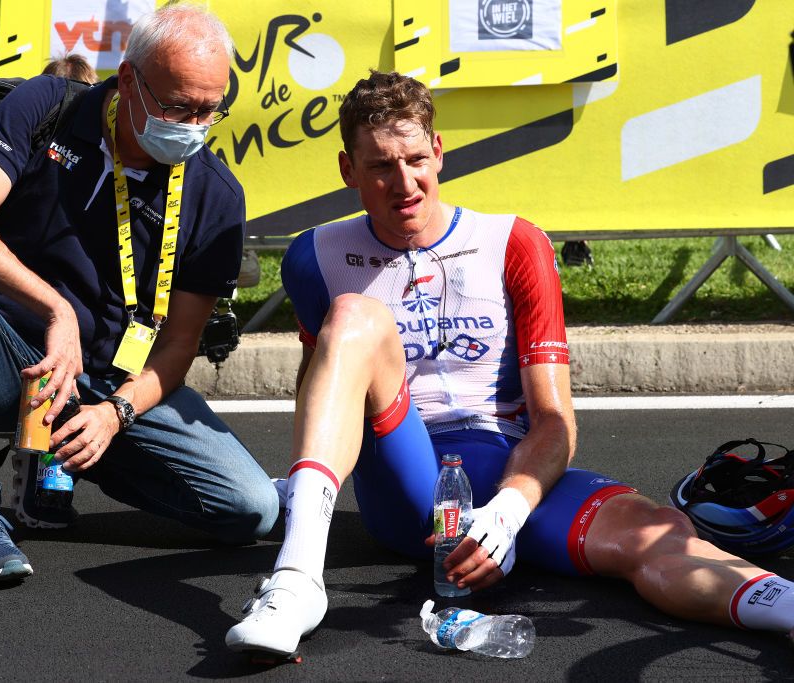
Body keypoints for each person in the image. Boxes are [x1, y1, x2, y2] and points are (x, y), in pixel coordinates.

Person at [225, 70, 794, 655]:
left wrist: (507, 513)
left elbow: (554, 421)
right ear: (348, 170)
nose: (405, 183)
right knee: (354, 316)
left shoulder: (516, 242)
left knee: (656, 531)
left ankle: (788, 607)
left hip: (506, 472)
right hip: (407, 477)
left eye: (417, 159)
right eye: (380, 167)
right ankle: (296, 583)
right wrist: (307, 480)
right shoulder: (313, 256)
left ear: (439, 152)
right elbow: (324, 383)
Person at [0, 3, 278, 586]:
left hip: (109, 382)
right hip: (11, 358)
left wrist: (114, 415)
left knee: (252, 509)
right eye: (179, 107)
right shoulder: (48, 105)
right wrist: (56, 310)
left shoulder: (217, 195)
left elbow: (176, 347)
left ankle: (65, 452)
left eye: (211, 111)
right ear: (129, 81)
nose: (195, 127)